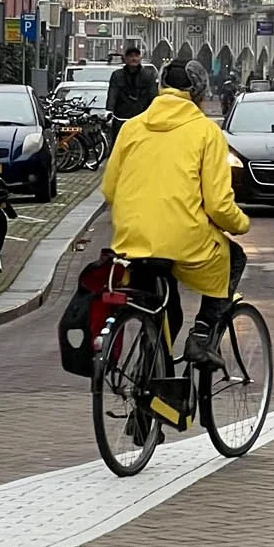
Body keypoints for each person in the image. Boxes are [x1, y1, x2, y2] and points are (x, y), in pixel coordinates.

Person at [101, 57, 249, 363]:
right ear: (198, 93)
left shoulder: (132, 127)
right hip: (184, 240)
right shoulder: (206, 132)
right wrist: (240, 224)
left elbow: (109, 189)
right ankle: (203, 336)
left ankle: (149, 377)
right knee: (234, 258)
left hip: (131, 239)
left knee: (164, 309)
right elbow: (219, 204)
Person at [106, 44, 158, 124]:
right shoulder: (117, 75)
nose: (134, 59)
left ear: (140, 58)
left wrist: (154, 112)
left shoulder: (148, 75)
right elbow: (113, 94)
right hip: (121, 117)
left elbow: (153, 95)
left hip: (142, 117)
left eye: (136, 56)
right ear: (125, 59)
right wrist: (109, 110)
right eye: (130, 56)